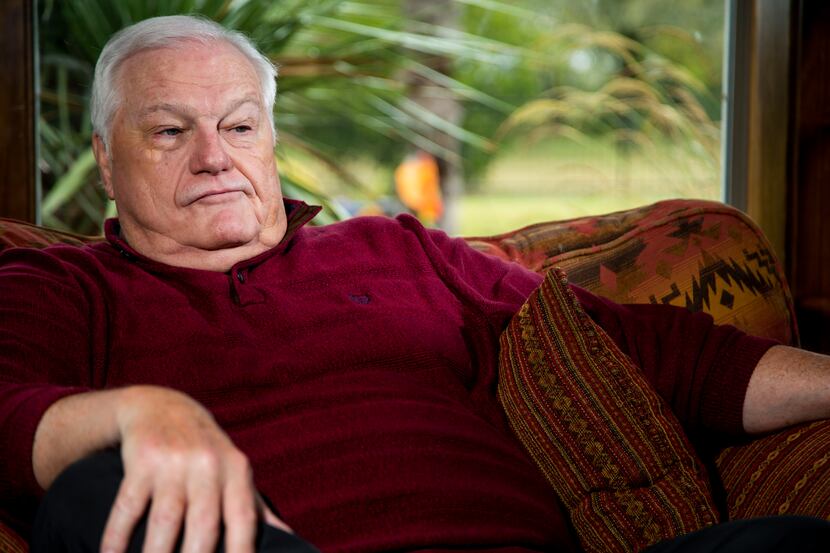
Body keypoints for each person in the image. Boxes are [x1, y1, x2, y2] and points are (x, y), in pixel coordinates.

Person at [0, 14, 829, 553]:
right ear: (106, 158)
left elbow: (654, 350)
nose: (215, 157)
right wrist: (136, 412)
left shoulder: (397, 251)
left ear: (269, 138)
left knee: (785, 543)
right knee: (95, 496)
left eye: (240, 126)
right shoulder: (64, 286)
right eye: (171, 130)